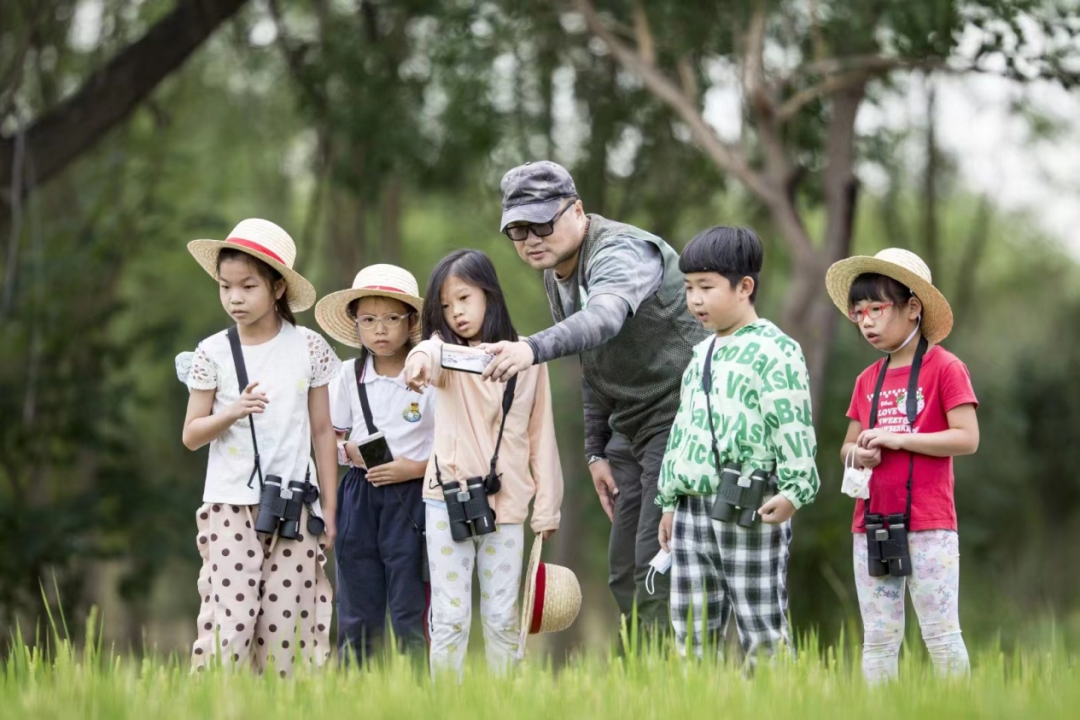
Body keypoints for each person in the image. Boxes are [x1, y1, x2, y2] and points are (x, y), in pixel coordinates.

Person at [480, 160, 707, 632]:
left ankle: (674, 688)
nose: (531, 239)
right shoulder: (555, 272)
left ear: (577, 210)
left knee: (655, 562)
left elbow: (604, 318)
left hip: (683, 415)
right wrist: (595, 449)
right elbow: (594, 358)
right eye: (518, 231)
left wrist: (531, 348)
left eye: (542, 222)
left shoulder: (620, 251)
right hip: (629, 426)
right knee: (624, 570)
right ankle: (646, 679)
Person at [180, 218, 340, 675]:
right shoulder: (212, 351)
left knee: (286, 630)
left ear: (276, 289)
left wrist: (330, 508)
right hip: (231, 505)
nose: (234, 297)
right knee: (229, 624)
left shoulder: (309, 347)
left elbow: (323, 431)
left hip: (296, 507)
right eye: (225, 286)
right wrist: (232, 411)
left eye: (247, 286)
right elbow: (191, 434)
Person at [655, 226, 819, 664]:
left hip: (751, 502)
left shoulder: (775, 349)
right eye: (689, 287)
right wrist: (669, 501)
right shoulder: (700, 352)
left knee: (761, 626)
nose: (695, 300)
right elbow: (682, 429)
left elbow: (794, 425)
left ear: (745, 286)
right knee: (690, 630)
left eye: (706, 287)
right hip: (692, 509)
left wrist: (794, 491)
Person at [403, 249, 563, 680]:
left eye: (464, 298)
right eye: (446, 304)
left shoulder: (526, 358)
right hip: (446, 501)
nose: (456, 312)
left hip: (507, 506)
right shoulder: (446, 355)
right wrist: (416, 367)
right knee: (450, 619)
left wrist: (547, 507)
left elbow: (540, 436)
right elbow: (425, 355)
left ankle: (503, 704)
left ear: (489, 294)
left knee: (501, 619)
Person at [826, 248, 979, 682]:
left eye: (877, 308)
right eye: (859, 313)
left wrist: (898, 438)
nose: (867, 321)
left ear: (913, 308)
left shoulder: (945, 368)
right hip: (871, 523)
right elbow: (847, 447)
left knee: (942, 636)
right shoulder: (866, 379)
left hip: (929, 522)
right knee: (877, 639)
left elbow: (967, 438)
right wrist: (861, 453)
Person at [314, 264, 433, 665]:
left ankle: (419, 692)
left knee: (409, 603)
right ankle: (354, 690)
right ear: (356, 324)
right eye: (368, 319)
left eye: (390, 319)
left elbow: (451, 444)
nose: (379, 329)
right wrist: (350, 452)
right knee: (357, 604)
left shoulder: (428, 377)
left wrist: (412, 470)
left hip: (414, 496)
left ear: (411, 321)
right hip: (360, 494)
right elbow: (328, 437)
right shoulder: (347, 376)